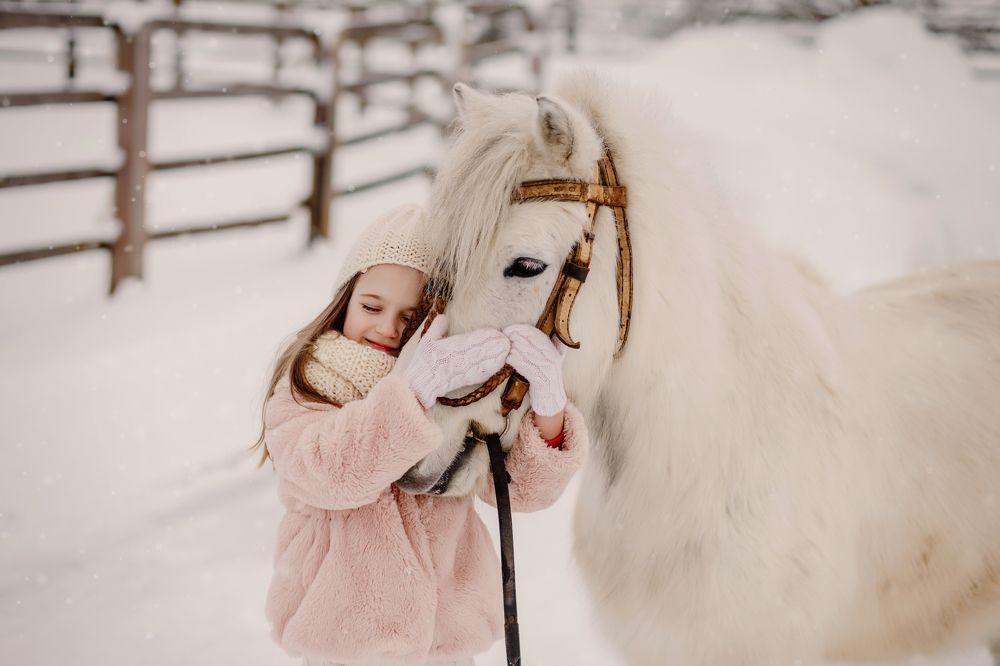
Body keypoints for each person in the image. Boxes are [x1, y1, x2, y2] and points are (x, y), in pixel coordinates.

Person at [253, 203, 588, 666]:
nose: (387, 328)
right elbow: (333, 475)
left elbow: (520, 492)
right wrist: (412, 391)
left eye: (410, 317)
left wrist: (548, 407)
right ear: (344, 299)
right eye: (372, 306)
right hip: (346, 645)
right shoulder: (310, 383)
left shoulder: (457, 392)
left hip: (443, 644)